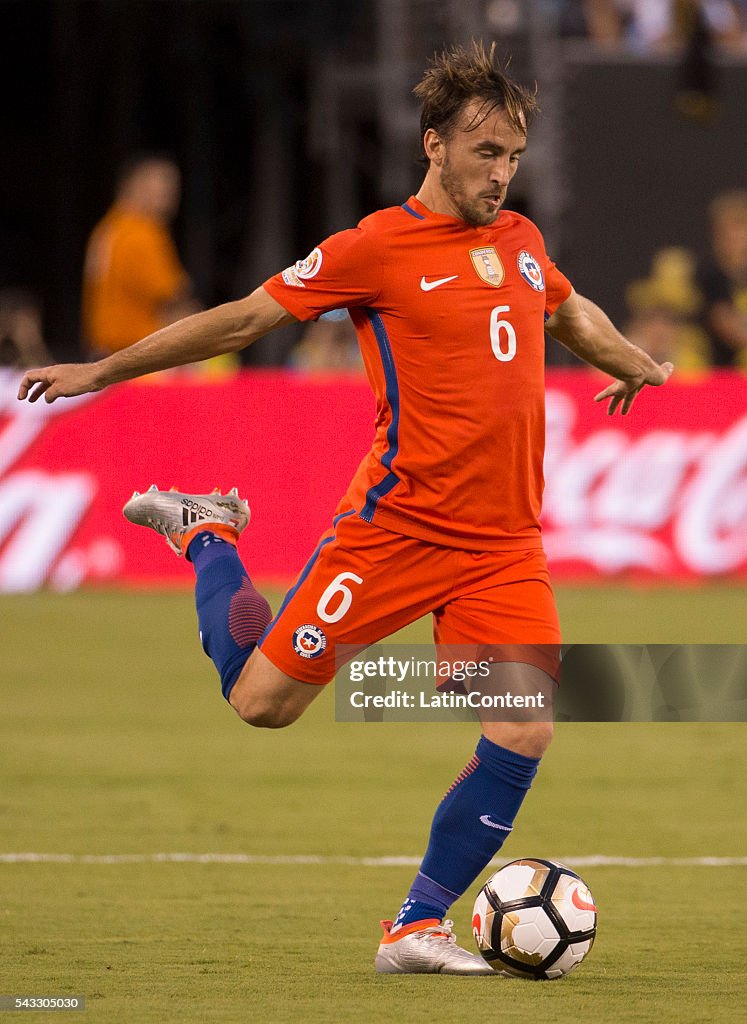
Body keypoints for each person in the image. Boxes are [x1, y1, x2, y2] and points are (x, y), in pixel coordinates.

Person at [18, 42, 673, 975]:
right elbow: (246, 319)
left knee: (521, 726)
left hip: (501, 545)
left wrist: (632, 365)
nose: (500, 174)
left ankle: (415, 926)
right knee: (261, 704)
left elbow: (566, 311)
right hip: (396, 531)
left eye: (513, 158)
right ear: (433, 144)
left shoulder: (520, 242)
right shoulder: (373, 248)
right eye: (484, 153)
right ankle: (207, 532)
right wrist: (99, 372)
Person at [82, 153, 198, 359]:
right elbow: (173, 299)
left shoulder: (109, 227)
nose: (170, 196)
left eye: (172, 189)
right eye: (161, 188)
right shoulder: (142, 231)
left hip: (104, 353)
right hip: (138, 357)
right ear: (131, 186)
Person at [695, 189, 747, 367]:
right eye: (734, 227)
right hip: (718, 373)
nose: (739, 235)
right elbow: (727, 327)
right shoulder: (710, 273)